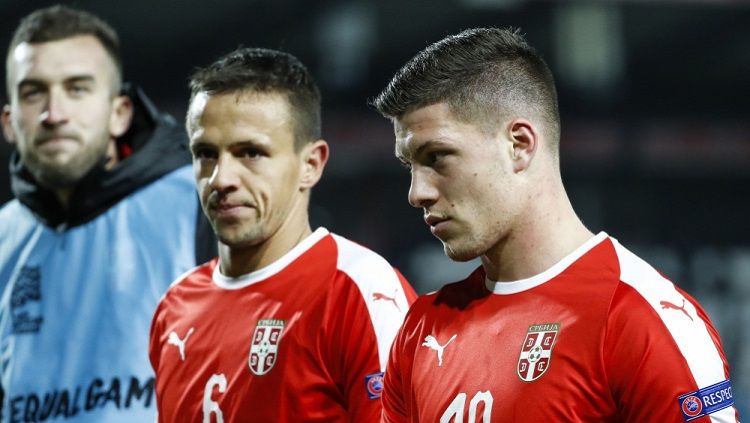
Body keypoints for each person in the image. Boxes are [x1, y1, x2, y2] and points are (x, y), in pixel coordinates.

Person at [373, 27, 738, 422]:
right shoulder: (421, 327)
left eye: (437, 157)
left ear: (520, 145)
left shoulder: (640, 318)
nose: (417, 192)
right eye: (410, 165)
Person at [148, 47, 417, 422]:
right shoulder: (174, 307)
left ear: (311, 164)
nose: (221, 179)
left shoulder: (360, 292)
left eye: (250, 153)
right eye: (206, 153)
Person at [0, 6, 215, 422]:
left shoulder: (198, 203)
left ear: (120, 113)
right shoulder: (4, 237)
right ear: (9, 123)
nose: (54, 114)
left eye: (77, 89)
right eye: (33, 92)